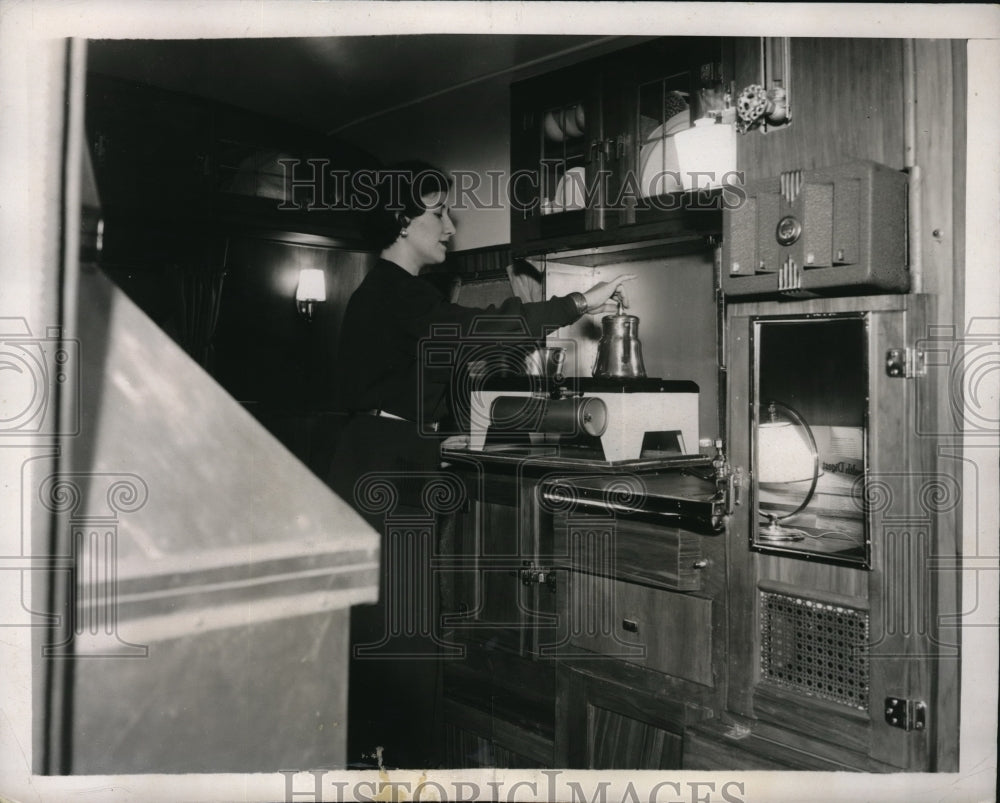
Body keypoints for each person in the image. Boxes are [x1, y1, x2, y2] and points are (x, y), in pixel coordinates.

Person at [327, 161, 633, 769]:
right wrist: (571, 303)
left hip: (389, 462)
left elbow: (462, 336)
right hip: (384, 472)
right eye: (437, 212)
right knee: (400, 637)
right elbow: (468, 333)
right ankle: (395, 772)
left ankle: (389, 765)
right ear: (401, 222)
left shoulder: (399, 294)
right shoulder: (392, 290)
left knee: (399, 632)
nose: (449, 224)